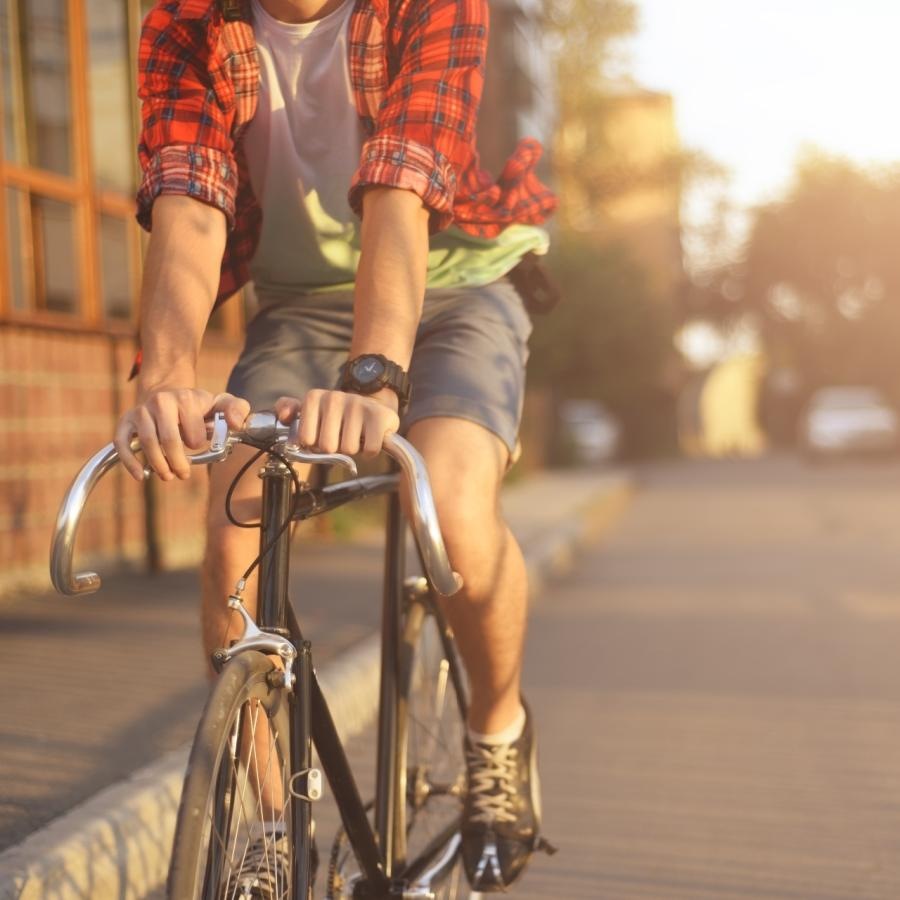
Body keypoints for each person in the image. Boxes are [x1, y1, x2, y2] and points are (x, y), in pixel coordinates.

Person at [113, 0, 557, 891]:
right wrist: (163, 377)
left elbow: (402, 187)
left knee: (457, 504)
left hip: (460, 278)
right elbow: (190, 204)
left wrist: (373, 378)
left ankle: (499, 736)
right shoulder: (186, 21)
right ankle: (272, 837)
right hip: (302, 299)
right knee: (231, 529)